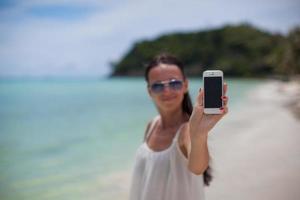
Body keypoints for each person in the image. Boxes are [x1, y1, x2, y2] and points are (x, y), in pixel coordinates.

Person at [129, 53, 229, 200]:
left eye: (174, 83)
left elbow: (197, 167)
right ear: (149, 91)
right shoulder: (152, 125)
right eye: (157, 86)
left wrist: (199, 135)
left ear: (185, 86)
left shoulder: (187, 131)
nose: (167, 91)